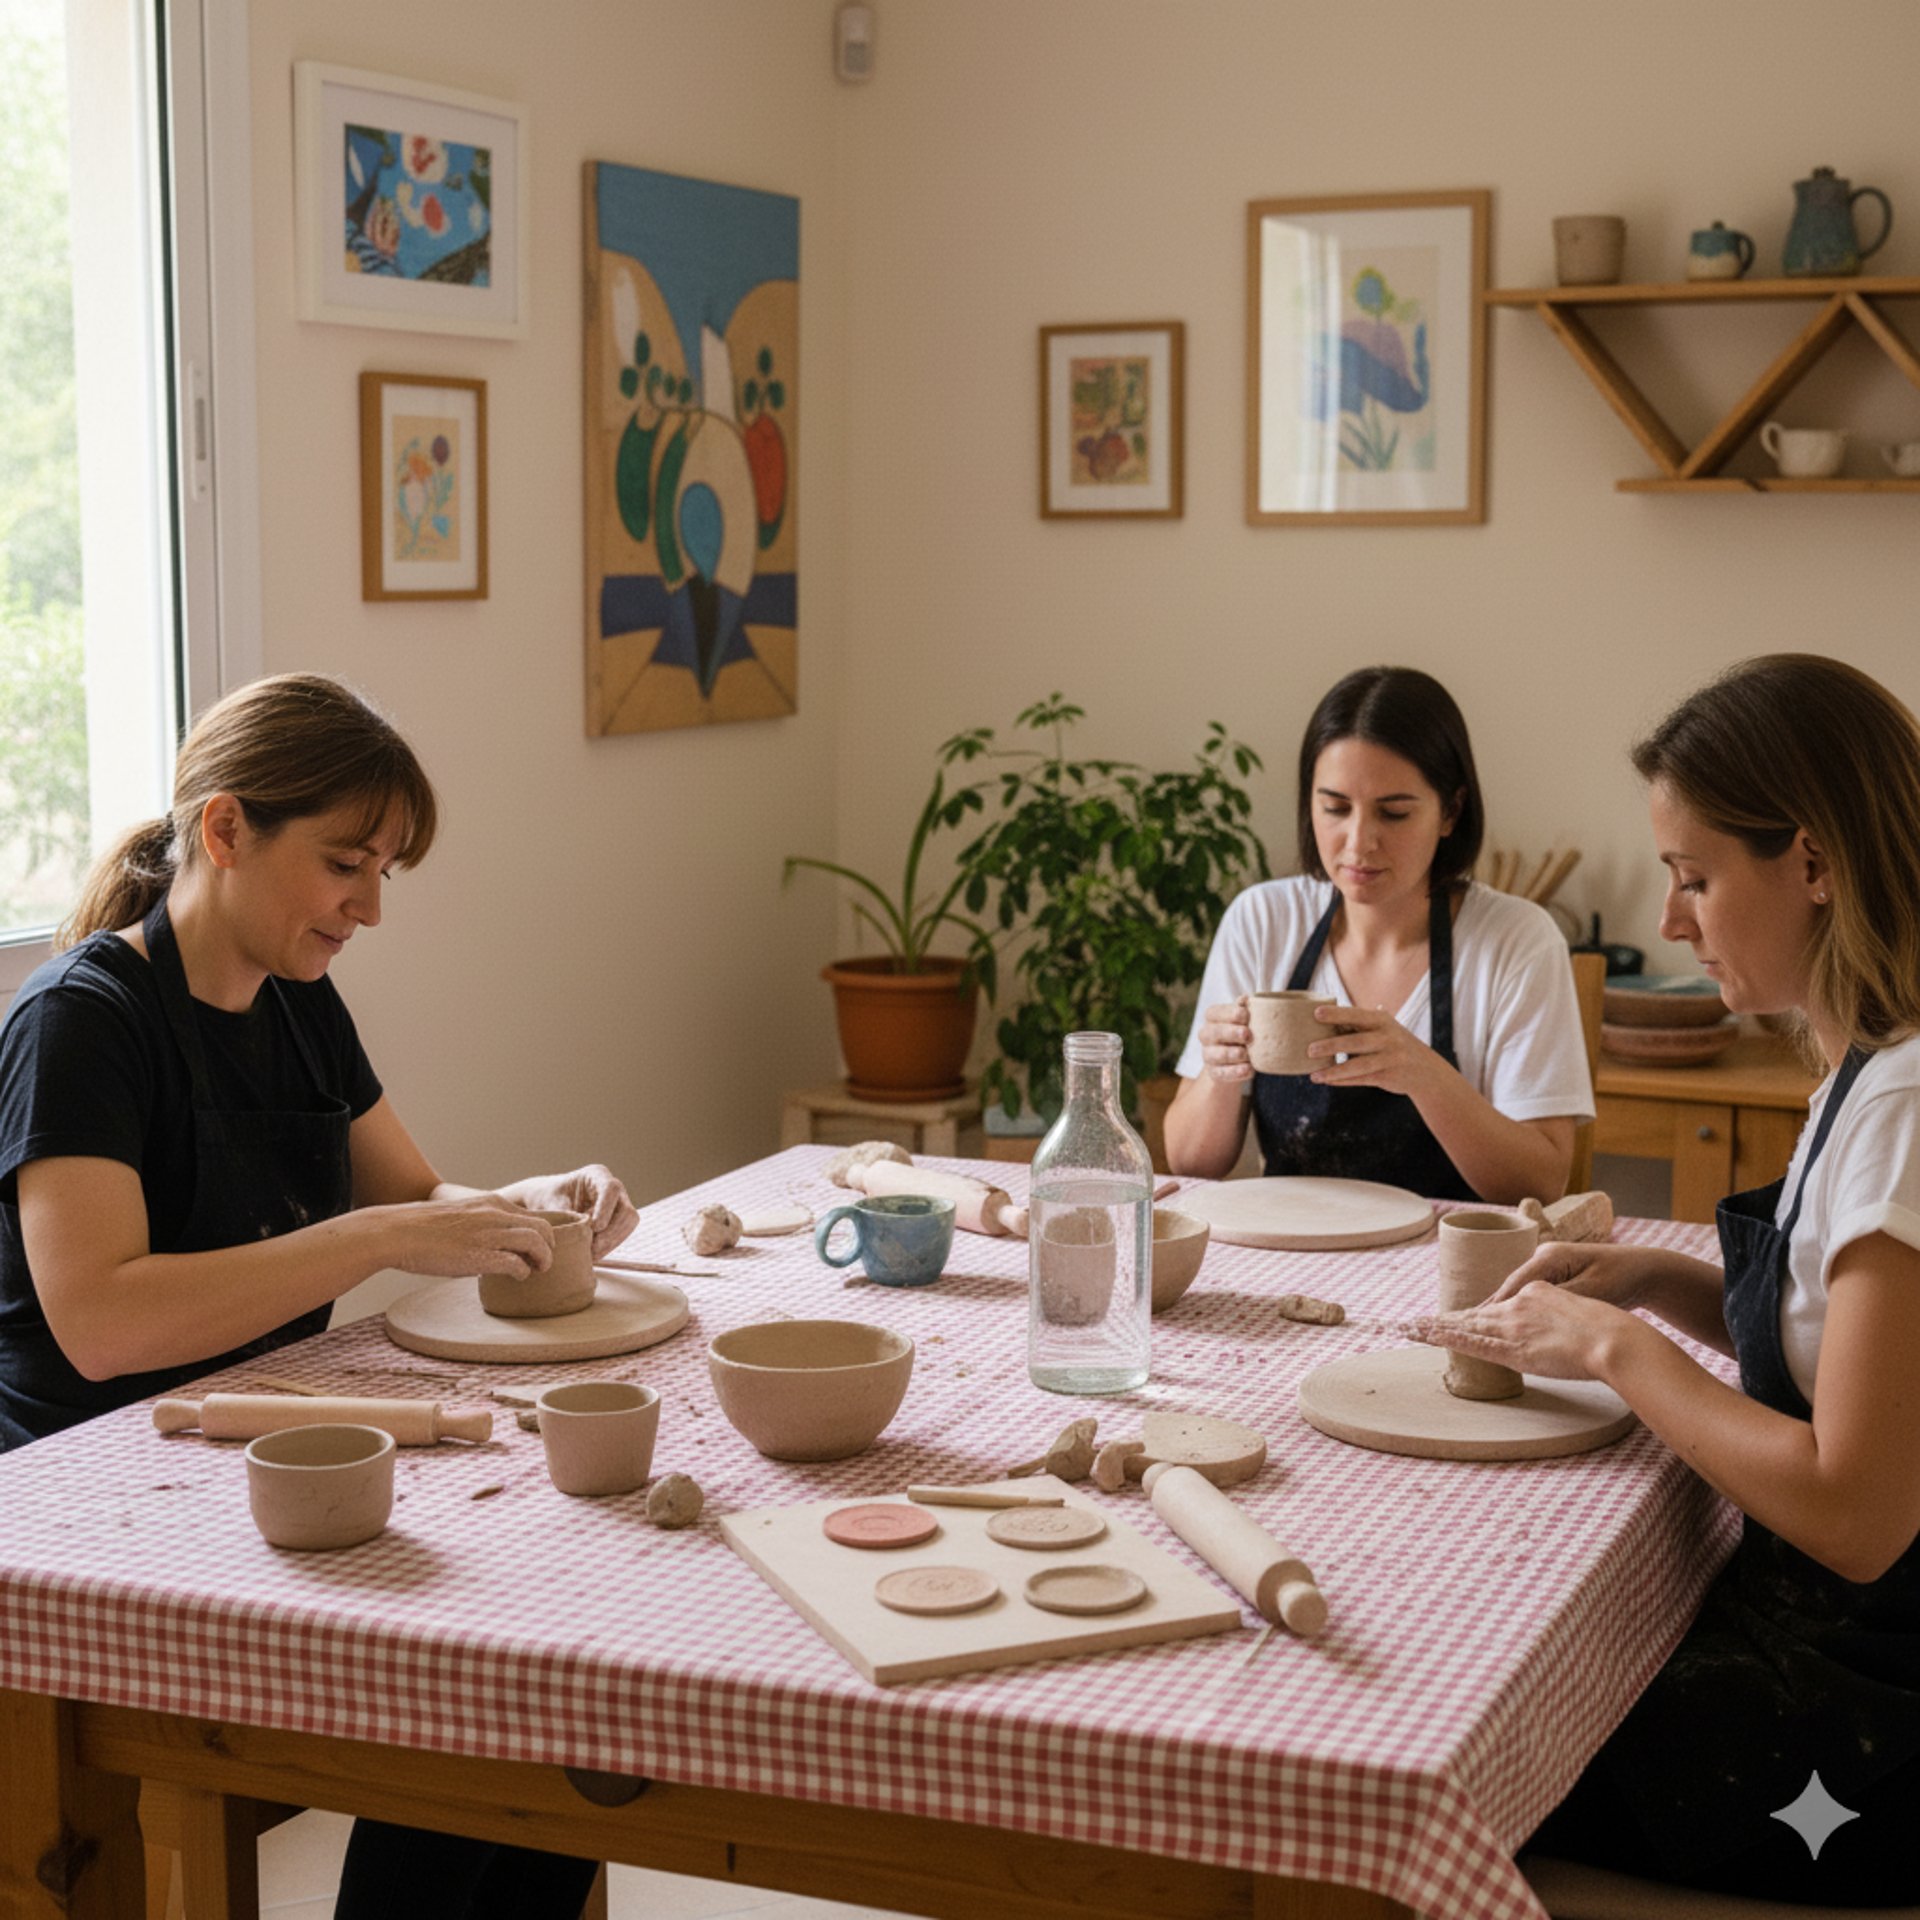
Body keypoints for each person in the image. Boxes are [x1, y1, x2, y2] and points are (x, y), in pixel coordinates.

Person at [0, 672, 629, 1916]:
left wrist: (536, 1199)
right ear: (226, 830)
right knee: (486, 1704)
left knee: (562, 1677)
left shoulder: (300, 1004)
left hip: (254, 1464)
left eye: (386, 869)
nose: (372, 907)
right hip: (89, 1507)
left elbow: (418, 1197)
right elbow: (106, 1320)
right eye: (349, 862)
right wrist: (371, 1236)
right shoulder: (81, 1024)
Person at [1428, 655, 1920, 1906]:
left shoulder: (1905, 1114)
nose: (1672, 923)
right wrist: (1655, 1279)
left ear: (1813, 864)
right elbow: (1847, 1350)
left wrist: (1614, 1350)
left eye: (1696, 879)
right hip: (1830, 1652)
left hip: (1876, 1720)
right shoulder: (1864, 1060)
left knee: (1451, 1764)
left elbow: (1860, 1515)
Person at [1165, 666, 1592, 1203]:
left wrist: (1424, 1076)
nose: (1359, 842)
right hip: (1292, 1252)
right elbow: (1190, 1162)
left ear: (1450, 811)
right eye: (1335, 808)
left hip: (1457, 1268)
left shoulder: (1516, 940)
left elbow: (1541, 1183)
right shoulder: (1263, 920)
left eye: (1393, 813)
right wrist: (1221, 1071)